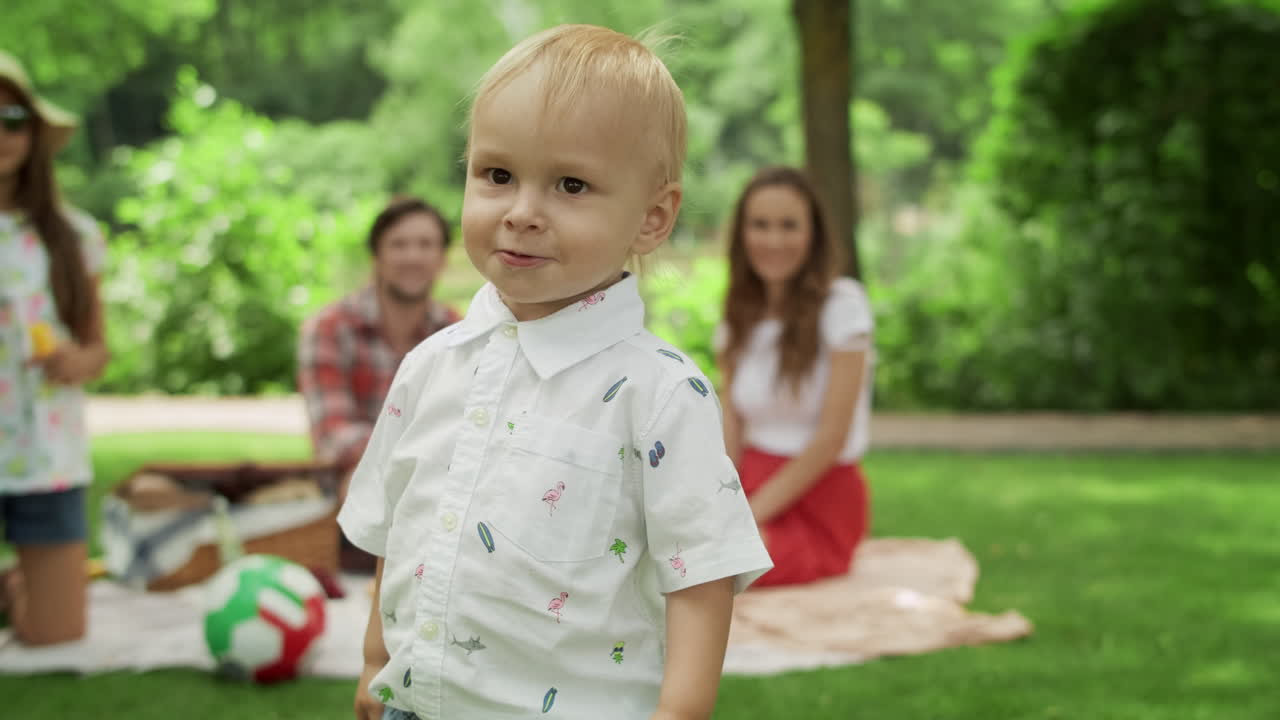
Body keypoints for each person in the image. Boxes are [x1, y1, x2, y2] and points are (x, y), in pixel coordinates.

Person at [340, 25, 771, 720]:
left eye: (571, 185)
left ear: (652, 217)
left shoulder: (660, 393)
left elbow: (701, 574)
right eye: (497, 175)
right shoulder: (431, 366)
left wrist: (680, 712)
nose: (522, 213)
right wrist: (374, 660)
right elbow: (401, 526)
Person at [715, 166, 875, 588]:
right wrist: (721, 501)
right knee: (672, 551)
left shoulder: (843, 306)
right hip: (750, 484)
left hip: (819, 495)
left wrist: (745, 519)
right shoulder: (739, 316)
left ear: (813, 234)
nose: (774, 240)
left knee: (717, 568)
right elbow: (732, 423)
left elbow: (831, 440)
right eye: (760, 225)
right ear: (742, 234)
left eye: (789, 225)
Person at [0, 50, 110, 645]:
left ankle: (19, 584)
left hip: (46, 453)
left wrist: (73, 361)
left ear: (35, 134)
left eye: (14, 118)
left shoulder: (73, 236)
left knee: (56, 636)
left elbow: (98, 351)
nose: (3, 134)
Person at [298, 196, 460, 572]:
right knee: (359, 480)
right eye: (399, 244)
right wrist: (407, 462)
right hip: (349, 491)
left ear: (442, 259)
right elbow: (333, 433)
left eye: (425, 245)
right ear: (377, 257)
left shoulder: (457, 333)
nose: (413, 256)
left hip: (432, 492)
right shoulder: (329, 328)